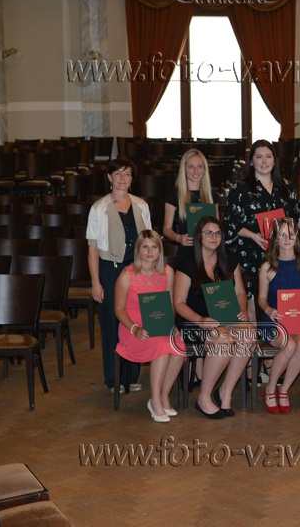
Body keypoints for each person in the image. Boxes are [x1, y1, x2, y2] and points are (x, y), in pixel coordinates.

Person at [174, 216, 253, 419]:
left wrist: (243, 310)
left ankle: (225, 391)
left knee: (249, 334)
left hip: (225, 318)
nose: (214, 237)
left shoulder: (230, 259)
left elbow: (240, 293)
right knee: (223, 338)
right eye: (208, 232)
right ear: (199, 236)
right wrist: (200, 321)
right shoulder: (187, 263)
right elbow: (179, 303)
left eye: (218, 233)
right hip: (194, 322)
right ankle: (204, 397)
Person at [87, 157, 151, 393]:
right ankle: (114, 379)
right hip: (110, 270)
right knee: (111, 324)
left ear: (132, 179)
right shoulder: (99, 208)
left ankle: (131, 376)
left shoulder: (141, 206)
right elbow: (92, 248)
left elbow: (149, 243)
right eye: (118, 174)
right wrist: (96, 282)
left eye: (127, 174)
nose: (122, 178)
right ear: (109, 177)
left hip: (137, 271)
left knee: (136, 321)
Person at [114, 230, 186, 422]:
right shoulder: (126, 276)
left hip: (158, 326)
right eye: (145, 247)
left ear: (160, 250)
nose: (150, 251)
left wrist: (169, 325)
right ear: (138, 250)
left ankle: (163, 394)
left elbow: (169, 305)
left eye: (154, 247)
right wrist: (135, 329)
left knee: (179, 347)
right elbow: (118, 310)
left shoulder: (168, 272)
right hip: (133, 329)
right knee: (162, 347)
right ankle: (154, 400)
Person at [223, 140, 300, 315]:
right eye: (259, 157)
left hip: (282, 253)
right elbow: (230, 223)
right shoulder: (240, 189)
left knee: (282, 301)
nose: (264, 161)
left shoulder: (287, 187)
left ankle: (282, 332)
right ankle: (253, 333)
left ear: (274, 160)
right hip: (250, 252)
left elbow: (296, 220)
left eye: (268, 156)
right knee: (252, 304)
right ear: (251, 161)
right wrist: (252, 235)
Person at [256, 217, 300, 414]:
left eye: (291, 234)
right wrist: (269, 310)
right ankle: (270, 389)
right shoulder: (267, 266)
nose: (287, 238)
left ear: (297, 237)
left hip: (299, 319)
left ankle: (284, 390)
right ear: (275, 239)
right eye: (282, 234)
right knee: (289, 345)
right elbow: (261, 299)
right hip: (275, 320)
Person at [163, 149, 218, 267]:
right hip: (187, 252)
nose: (196, 171)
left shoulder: (212, 196)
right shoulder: (173, 196)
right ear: (184, 169)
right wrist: (178, 238)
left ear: (204, 170)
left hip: (209, 253)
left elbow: (217, 227)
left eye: (199, 167)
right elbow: (166, 229)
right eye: (191, 167)